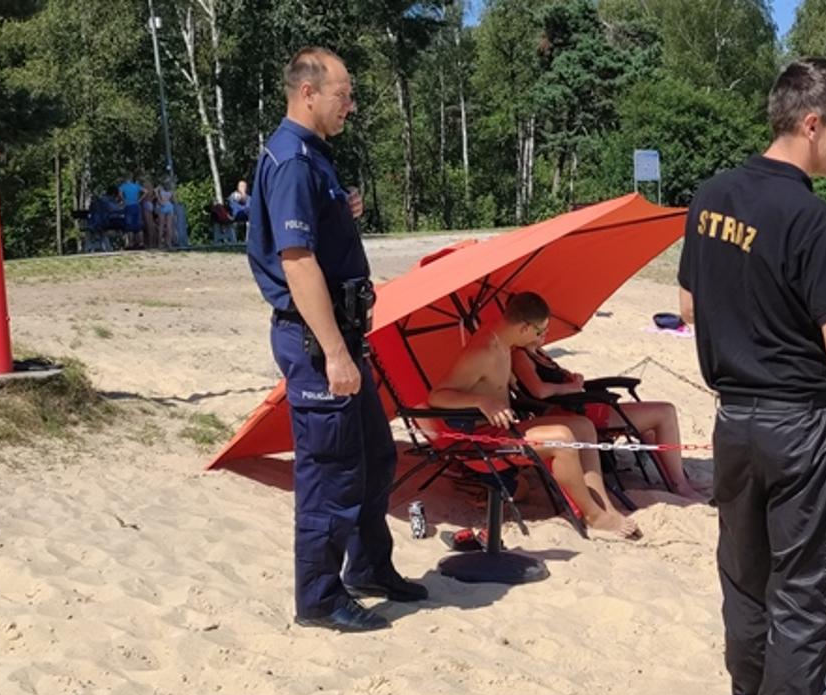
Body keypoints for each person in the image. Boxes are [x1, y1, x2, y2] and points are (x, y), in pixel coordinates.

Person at [678, 57, 826, 695]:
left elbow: (690, 305)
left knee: (744, 575)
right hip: (801, 425)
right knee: (806, 591)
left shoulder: (712, 195)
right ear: (811, 122)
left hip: (734, 422)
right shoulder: (812, 219)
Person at [247, 46, 425, 634]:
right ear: (308, 93)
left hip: (341, 334)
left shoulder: (314, 159)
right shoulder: (294, 160)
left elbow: (313, 232)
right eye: (343, 93)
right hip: (318, 342)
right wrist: (335, 352)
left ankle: (369, 567)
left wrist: (342, 211)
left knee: (375, 456)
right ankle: (319, 598)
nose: (350, 104)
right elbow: (296, 262)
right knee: (330, 471)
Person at [427, 292, 643, 540]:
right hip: (482, 439)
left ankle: (602, 503)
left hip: (505, 428)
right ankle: (593, 516)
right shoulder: (482, 351)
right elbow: (438, 396)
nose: (543, 336)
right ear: (524, 327)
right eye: (540, 331)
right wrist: (481, 400)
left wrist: (528, 349)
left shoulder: (505, 342)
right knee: (561, 439)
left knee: (582, 426)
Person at [510, 328, 705, 500]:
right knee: (665, 412)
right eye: (539, 329)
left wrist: (574, 379)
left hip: (583, 405)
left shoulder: (537, 353)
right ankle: (680, 485)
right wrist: (571, 387)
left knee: (651, 430)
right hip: (576, 411)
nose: (544, 332)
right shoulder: (520, 355)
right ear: (524, 327)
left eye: (545, 327)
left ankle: (675, 480)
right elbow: (539, 391)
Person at [118, 173, 144, 248]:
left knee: (129, 225)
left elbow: (120, 194)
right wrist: (139, 200)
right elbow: (146, 191)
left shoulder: (123, 186)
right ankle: (141, 243)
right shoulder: (136, 186)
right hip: (136, 205)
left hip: (128, 206)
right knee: (138, 225)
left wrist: (124, 200)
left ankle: (130, 243)